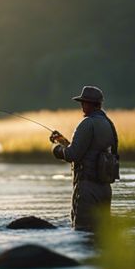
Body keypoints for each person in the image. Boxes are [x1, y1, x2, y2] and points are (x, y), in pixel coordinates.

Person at [49, 86, 119, 231]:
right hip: (105, 190)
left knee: (82, 232)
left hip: (87, 190)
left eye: (84, 102)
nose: (82, 106)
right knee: (101, 233)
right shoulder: (109, 124)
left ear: (92, 104)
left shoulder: (87, 124)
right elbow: (86, 150)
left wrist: (56, 150)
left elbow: (72, 155)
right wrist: (63, 141)